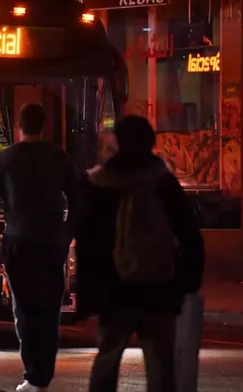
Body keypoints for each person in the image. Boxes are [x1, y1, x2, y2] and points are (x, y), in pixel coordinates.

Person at [74, 116, 204, 392]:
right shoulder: (164, 183)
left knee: (108, 359)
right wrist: (187, 284)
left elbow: (88, 244)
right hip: (159, 287)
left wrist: (87, 299)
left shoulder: (98, 185)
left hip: (114, 290)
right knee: (160, 362)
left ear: (118, 141)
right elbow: (189, 235)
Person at [0, 104, 79, 392]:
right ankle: (42, 376)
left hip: (18, 242)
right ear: (45, 126)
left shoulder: (4, 159)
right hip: (51, 242)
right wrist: (67, 234)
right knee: (49, 310)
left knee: (24, 309)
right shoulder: (60, 159)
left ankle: (32, 373)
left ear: (18, 127)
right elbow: (77, 200)